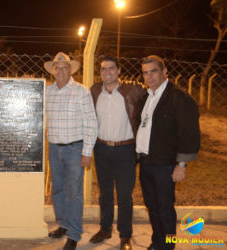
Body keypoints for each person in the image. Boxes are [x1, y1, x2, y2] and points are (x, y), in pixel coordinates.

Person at [136, 55, 200, 250]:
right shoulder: (147, 97)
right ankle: (157, 242)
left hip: (165, 165)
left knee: (165, 209)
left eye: (153, 71)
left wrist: (181, 165)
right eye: (145, 73)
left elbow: (189, 133)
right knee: (153, 207)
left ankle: (169, 246)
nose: (149, 76)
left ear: (164, 72)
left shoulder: (179, 98)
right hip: (146, 162)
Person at [90, 55, 146, 250]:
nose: (107, 72)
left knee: (124, 196)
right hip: (102, 148)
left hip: (126, 149)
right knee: (105, 193)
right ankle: (105, 229)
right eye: (103, 69)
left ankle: (125, 236)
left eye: (111, 68)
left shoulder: (133, 91)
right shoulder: (95, 91)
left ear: (119, 70)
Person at [44, 52, 98, 250]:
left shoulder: (81, 92)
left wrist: (87, 152)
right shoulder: (47, 91)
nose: (60, 70)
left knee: (73, 192)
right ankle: (64, 225)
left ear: (70, 70)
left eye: (64, 67)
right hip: (54, 148)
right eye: (57, 67)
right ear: (53, 71)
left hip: (75, 149)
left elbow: (91, 122)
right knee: (57, 189)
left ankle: (74, 233)